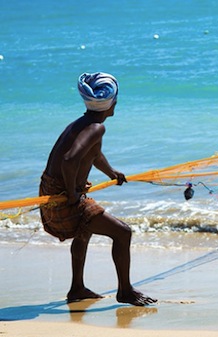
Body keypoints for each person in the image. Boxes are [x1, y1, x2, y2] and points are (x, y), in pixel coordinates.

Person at [39, 72, 157, 306]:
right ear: (111, 102)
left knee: (85, 230)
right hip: (63, 197)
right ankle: (125, 291)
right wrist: (73, 194)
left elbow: (93, 154)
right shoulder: (96, 128)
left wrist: (112, 173)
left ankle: (77, 289)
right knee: (123, 232)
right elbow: (70, 160)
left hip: (53, 191)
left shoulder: (83, 124)